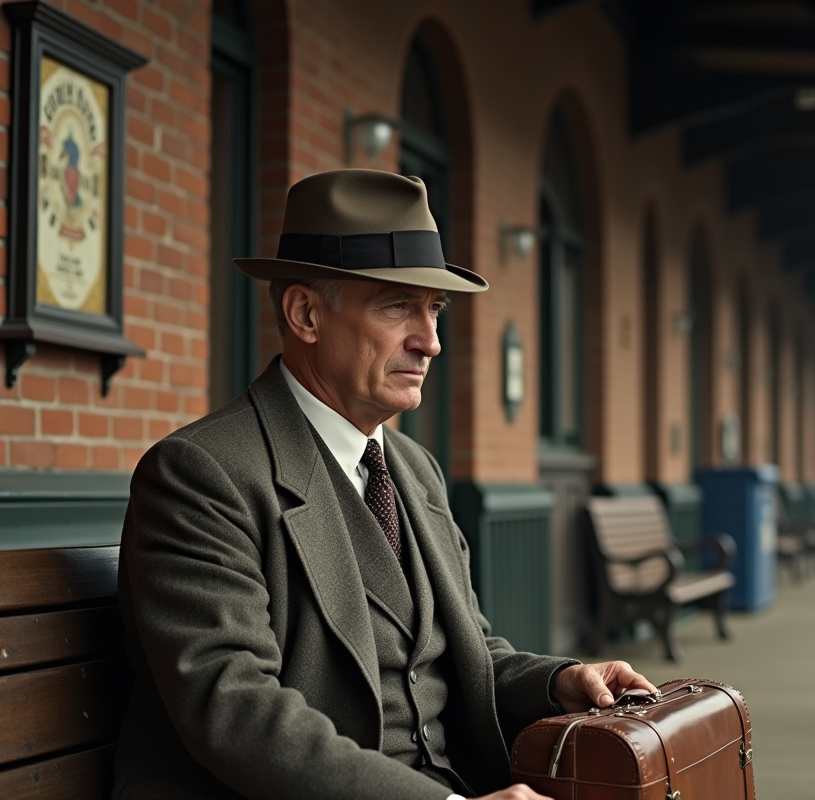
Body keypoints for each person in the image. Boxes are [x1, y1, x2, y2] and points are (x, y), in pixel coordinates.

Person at [113, 169, 654, 800]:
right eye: (398, 306)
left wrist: (557, 682)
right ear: (305, 313)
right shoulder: (201, 474)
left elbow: (468, 651)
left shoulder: (416, 469)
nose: (431, 342)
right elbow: (237, 710)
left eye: (435, 309)